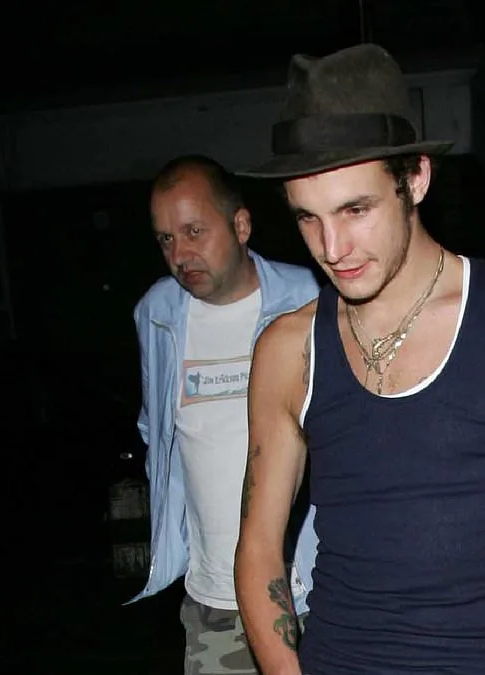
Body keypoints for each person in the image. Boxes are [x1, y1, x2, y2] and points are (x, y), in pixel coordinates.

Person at [233, 44, 485, 674]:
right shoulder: (287, 348)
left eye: (356, 210)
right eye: (307, 218)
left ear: (416, 178)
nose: (332, 247)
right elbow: (259, 547)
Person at [130, 155, 321, 674]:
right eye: (166, 238)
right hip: (213, 601)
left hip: (309, 593)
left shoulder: (309, 300)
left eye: (194, 231)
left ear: (240, 225)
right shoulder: (156, 314)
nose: (180, 254)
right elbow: (157, 432)